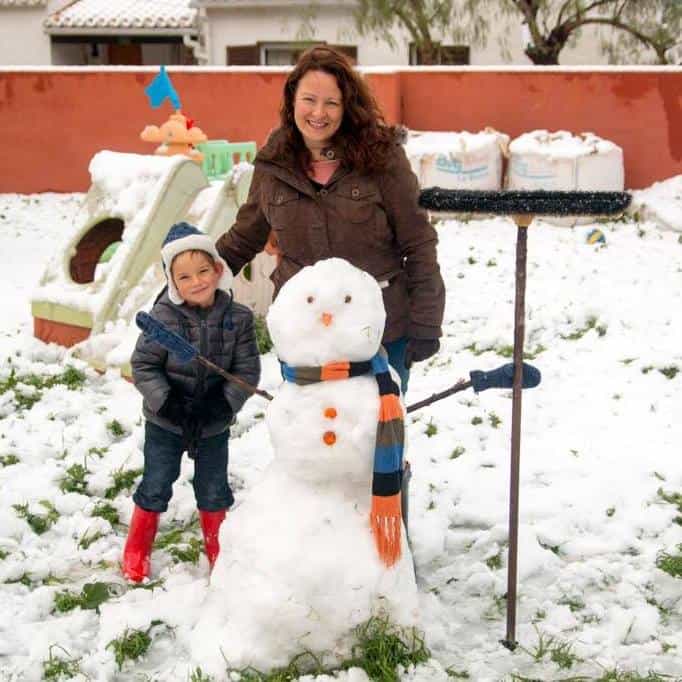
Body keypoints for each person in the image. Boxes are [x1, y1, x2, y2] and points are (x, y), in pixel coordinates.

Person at [216, 46, 445, 393]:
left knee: (375, 438)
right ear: (292, 100)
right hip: (303, 330)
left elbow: (418, 241)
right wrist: (183, 286)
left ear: (347, 106)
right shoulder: (275, 163)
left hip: (377, 329)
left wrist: (426, 322)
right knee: (310, 437)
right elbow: (243, 238)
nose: (318, 113)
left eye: (331, 103)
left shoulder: (382, 157)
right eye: (309, 99)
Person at [123, 222, 261, 583]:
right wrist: (167, 403)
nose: (196, 281)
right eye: (185, 277)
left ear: (218, 269)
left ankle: (218, 547)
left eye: (203, 271)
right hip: (166, 421)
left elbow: (246, 370)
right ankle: (137, 545)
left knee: (214, 487)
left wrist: (223, 404)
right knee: (157, 480)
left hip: (213, 421)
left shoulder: (238, 318)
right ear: (173, 282)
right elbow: (143, 365)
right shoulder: (163, 320)